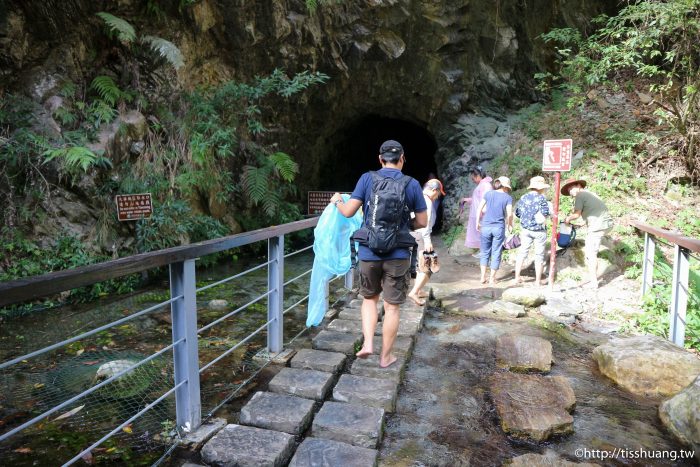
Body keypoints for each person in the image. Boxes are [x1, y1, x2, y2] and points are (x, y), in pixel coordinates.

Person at [330, 140, 427, 368]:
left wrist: (337, 201)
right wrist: (402, 225)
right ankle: (386, 356)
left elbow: (347, 212)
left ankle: (367, 345)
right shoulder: (411, 184)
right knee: (392, 307)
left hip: (369, 252)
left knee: (369, 300)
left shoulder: (367, 178)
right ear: (402, 158)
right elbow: (422, 222)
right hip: (398, 254)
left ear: (380, 158)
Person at [561, 178, 613, 289]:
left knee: (590, 254)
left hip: (598, 226)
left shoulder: (580, 195)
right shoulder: (590, 193)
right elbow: (594, 211)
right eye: (569, 189)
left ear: (579, 185)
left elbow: (576, 214)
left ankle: (593, 283)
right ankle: (594, 280)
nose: (570, 191)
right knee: (592, 250)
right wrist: (583, 225)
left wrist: (567, 219)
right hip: (606, 223)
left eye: (571, 188)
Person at [407, 179, 445, 306]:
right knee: (428, 266)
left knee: (417, 265)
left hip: (412, 234)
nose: (438, 196)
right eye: (438, 194)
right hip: (421, 236)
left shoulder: (417, 197)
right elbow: (425, 224)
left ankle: (419, 290)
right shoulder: (427, 202)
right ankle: (414, 292)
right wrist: (428, 241)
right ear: (434, 190)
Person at [514, 176, 551, 287]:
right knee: (539, 255)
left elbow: (517, 213)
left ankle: (517, 278)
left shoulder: (524, 197)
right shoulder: (541, 198)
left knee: (522, 253)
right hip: (539, 231)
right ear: (541, 188)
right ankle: (537, 281)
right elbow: (545, 213)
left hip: (525, 230)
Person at [476, 176, 513, 285]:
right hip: (498, 228)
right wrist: (510, 224)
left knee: (485, 252)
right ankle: (492, 279)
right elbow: (510, 214)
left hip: (486, 226)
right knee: (496, 252)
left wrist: (477, 222)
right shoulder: (507, 197)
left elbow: (479, 208)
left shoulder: (488, 194)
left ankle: (482, 277)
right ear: (505, 187)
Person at [461, 167, 493, 257]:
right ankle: (483, 251)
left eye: (473, 178)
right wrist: (466, 200)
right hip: (478, 214)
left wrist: (483, 212)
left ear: (478, 176)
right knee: (480, 233)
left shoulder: (485, 185)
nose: (473, 180)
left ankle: (485, 252)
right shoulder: (482, 185)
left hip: (482, 214)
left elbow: (485, 200)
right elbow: (476, 199)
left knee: (483, 233)